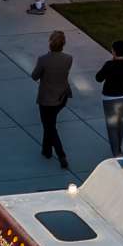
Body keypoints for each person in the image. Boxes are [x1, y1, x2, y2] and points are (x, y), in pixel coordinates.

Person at [31, 30, 73, 168]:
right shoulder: (68, 58)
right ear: (63, 44)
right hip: (62, 97)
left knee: (49, 126)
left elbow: (35, 76)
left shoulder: (43, 60)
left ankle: (61, 155)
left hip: (47, 98)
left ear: (50, 44)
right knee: (49, 123)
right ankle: (46, 150)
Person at [95, 38, 123, 156]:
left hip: (110, 98)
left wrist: (110, 65)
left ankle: (116, 153)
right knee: (120, 121)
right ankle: (119, 148)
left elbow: (98, 78)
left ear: (113, 51)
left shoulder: (109, 65)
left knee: (112, 126)